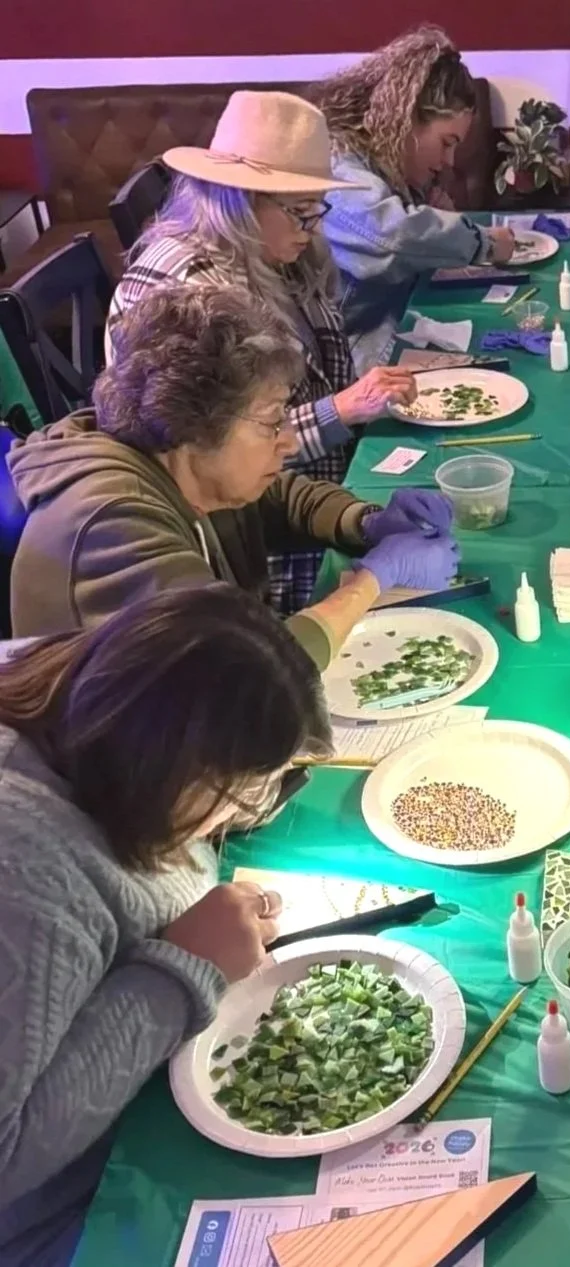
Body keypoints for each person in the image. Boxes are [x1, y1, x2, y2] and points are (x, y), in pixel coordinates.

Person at [0, 585, 329, 1266]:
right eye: (233, 794)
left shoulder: (77, 689)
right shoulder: (27, 875)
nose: (237, 815)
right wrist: (182, 967)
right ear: (165, 765)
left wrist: (205, 912)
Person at [8, 285, 458, 667]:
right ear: (194, 424)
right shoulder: (111, 528)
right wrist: (372, 580)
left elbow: (281, 498)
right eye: (272, 421)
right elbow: (244, 674)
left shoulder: (186, 470)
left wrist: (368, 523)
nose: (287, 440)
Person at [108, 90, 419, 613]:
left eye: (317, 208)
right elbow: (223, 461)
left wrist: (361, 519)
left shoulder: (278, 253)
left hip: (296, 502)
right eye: (300, 212)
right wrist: (340, 412)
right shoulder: (190, 296)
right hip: (250, 560)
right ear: (236, 200)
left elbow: (266, 457)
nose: (314, 227)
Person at [312, 25, 516, 371]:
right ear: (404, 120)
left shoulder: (380, 162)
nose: (449, 162)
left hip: (386, 335)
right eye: (447, 142)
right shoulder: (339, 164)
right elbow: (390, 234)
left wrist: (430, 208)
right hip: (348, 363)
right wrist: (482, 243)